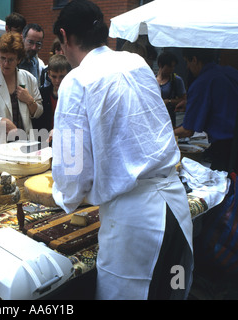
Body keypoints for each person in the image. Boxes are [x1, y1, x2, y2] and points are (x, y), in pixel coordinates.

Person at [51, 0, 193, 300]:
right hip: (175, 205)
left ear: (65, 37)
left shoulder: (77, 80)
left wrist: (64, 196)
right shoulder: (136, 62)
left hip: (134, 221)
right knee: (171, 287)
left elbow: (72, 169)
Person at [0, 31, 43, 158]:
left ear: (19, 60)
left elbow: (38, 112)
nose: (6, 64)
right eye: (3, 58)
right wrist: (2, 122)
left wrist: (29, 100)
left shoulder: (29, 79)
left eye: (11, 60)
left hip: (24, 144)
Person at [174, 48, 238, 172]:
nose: (187, 67)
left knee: (222, 182)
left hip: (226, 145)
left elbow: (188, 131)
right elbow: (222, 98)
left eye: (187, 62)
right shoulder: (230, 71)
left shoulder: (201, 83)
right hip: (232, 138)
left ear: (195, 59)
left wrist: (167, 132)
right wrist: (190, 104)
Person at [32, 54, 71, 133]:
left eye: (61, 76)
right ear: (48, 74)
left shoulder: (73, 95)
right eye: (54, 76)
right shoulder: (42, 93)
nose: (57, 81)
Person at [156, 51, 187, 127]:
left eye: (173, 66)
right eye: (169, 66)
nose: (172, 69)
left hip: (169, 118)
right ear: (160, 65)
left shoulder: (176, 80)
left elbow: (183, 100)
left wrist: (169, 101)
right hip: (155, 116)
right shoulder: (152, 80)